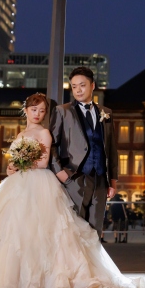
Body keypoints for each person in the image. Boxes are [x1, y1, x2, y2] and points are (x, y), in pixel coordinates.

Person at [0, 93, 145, 288]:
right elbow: (12, 163)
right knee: (12, 228)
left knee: (45, 229)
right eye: (34, 109)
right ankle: (6, 280)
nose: (37, 114)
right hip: (18, 183)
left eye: (41, 111)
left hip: (39, 182)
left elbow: (44, 162)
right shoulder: (20, 135)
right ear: (26, 110)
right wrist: (12, 167)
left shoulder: (45, 133)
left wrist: (23, 162)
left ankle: (41, 280)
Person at [50, 67, 119, 244]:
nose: (78, 90)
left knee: (95, 231)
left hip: (100, 179)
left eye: (82, 85)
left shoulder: (106, 113)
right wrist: (60, 172)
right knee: (74, 230)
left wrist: (112, 180)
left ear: (92, 85)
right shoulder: (62, 111)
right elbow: (52, 145)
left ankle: (92, 261)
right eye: (74, 86)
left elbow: (111, 148)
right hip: (74, 178)